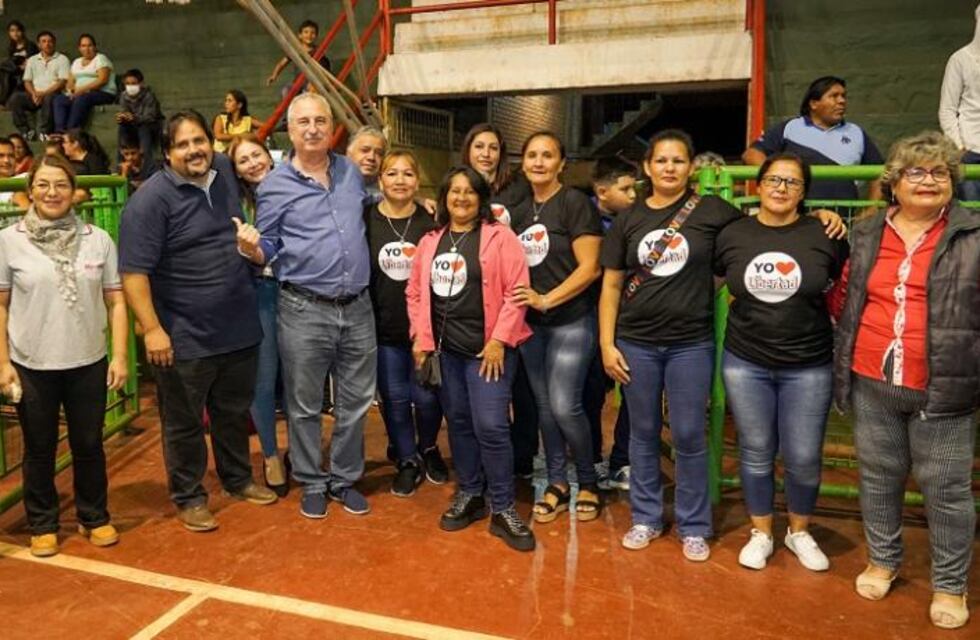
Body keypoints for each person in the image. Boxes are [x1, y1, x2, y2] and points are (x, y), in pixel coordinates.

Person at [600, 130, 847, 562]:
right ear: (647, 168)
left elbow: (765, 231)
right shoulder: (629, 220)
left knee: (691, 434)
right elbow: (613, 284)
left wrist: (820, 213)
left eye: (678, 160)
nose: (669, 168)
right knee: (640, 432)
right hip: (635, 342)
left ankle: (694, 524)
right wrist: (606, 342)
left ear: (691, 166)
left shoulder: (715, 212)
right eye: (661, 161)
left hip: (690, 343)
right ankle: (645, 517)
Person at [831, 131, 979, 630]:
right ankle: (883, 560)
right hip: (872, 376)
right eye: (915, 171)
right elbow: (851, 297)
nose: (928, 180)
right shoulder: (868, 231)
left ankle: (951, 584)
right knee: (878, 477)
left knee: (946, 489)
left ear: (952, 183)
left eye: (939, 172)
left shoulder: (972, 233)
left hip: (943, 386)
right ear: (893, 182)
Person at [119, 110, 277, 533]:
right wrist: (152, 329)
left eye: (199, 141)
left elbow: (268, 165)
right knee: (184, 423)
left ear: (213, 142)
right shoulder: (149, 201)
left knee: (232, 412)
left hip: (239, 328)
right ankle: (189, 496)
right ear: (168, 153)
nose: (194, 150)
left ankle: (238, 478)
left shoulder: (225, 171)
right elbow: (133, 273)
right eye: (183, 145)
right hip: (184, 336)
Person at [240, 93, 375, 519]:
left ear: (332, 125)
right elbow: (269, 246)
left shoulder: (352, 173)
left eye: (320, 120)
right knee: (304, 403)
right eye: (304, 122)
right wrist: (251, 249)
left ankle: (343, 478)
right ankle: (312, 481)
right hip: (304, 309)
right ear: (291, 130)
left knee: (355, 400)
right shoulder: (275, 185)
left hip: (358, 308)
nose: (313, 128)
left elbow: (376, 208)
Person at [716, 153, 849, 572]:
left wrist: (831, 216)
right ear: (758, 185)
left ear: (804, 192)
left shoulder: (824, 233)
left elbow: (845, 284)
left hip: (808, 363)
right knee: (755, 451)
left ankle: (798, 531)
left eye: (792, 182)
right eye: (773, 179)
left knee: (804, 455)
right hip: (746, 360)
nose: (781, 188)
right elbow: (716, 279)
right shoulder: (734, 233)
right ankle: (761, 532)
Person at [0, 154, 128, 557]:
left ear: (74, 191)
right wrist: (2, 362)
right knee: (38, 448)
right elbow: (0, 306)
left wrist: (119, 355)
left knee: (89, 443)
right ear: (30, 190)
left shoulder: (98, 239)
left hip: (87, 361)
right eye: (43, 185)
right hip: (32, 364)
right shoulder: (8, 240)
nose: (52, 192)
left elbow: (116, 302)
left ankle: (95, 516)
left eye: (60, 184)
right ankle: (43, 523)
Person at [406, 166, 535, 551]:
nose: (461, 198)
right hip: (447, 353)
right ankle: (471, 493)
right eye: (454, 191)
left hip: (488, 353)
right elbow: (415, 293)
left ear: (481, 198)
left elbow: (517, 291)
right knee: (459, 423)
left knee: (492, 425)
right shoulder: (431, 241)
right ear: (444, 198)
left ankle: (504, 507)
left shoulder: (501, 237)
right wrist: (420, 338)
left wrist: (499, 341)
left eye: (469, 192)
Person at [511, 131, 604, 525]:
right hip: (532, 327)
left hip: (571, 320)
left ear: (561, 163)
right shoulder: (518, 210)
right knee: (546, 407)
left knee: (566, 405)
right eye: (532, 155)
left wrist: (548, 299)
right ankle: (555, 482)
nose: (539, 162)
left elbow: (590, 268)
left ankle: (587, 481)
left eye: (547, 155)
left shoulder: (575, 203)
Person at [365, 150, 446, 496]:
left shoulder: (433, 223)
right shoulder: (365, 218)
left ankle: (427, 447)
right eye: (392, 173)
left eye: (408, 174)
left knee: (427, 400)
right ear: (380, 180)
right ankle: (407, 459)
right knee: (395, 399)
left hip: (425, 331)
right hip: (382, 329)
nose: (400, 180)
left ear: (418, 181)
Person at [225, 132, 287, 497]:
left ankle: (304, 451)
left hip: (298, 293)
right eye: (243, 160)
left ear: (269, 155)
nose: (253, 163)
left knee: (298, 381)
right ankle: (270, 455)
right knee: (263, 380)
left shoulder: (294, 190)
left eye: (256, 154)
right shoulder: (236, 206)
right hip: (260, 295)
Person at [743, 76, 883, 202]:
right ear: (814, 104)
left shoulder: (856, 132)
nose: (842, 101)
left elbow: (880, 172)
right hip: (798, 216)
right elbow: (752, 154)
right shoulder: (791, 128)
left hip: (845, 219)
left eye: (843, 96)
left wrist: (872, 209)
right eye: (834, 96)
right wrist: (778, 179)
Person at [587, 155, 637, 491]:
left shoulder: (636, 220)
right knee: (588, 393)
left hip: (630, 321)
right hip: (588, 320)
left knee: (633, 393)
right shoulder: (580, 218)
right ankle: (590, 459)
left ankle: (622, 461)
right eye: (626, 189)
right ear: (603, 191)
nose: (634, 195)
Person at [939, 4, 980, 202]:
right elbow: (947, 109)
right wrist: (959, 146)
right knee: (971, 217)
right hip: (970, 152)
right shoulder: (960, 59)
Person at [8, 31, 69, 141]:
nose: (47, 44)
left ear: (54, 43)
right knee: (15, 98)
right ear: (39, 44)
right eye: (44, 41)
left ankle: (44, 132)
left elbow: (62, 82)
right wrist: (34, 94)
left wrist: (43, 93)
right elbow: (27, 81)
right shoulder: (32, 60)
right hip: (34, 95)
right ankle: (26, 131)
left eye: (50, 41)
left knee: (50, 97)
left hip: (52, 94)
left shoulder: (62, 59)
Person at [51, 34, 116, 134]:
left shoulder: (100, 58)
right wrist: (71, 91)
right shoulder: (77, 62)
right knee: (59, 99)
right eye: (83, 46)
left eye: (90, 45)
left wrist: (81, 90)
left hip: (102, 93)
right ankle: (60, 131)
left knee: (83, 98)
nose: (87, 49)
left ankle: (72, 131)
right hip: (79, 94)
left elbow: (102, 80)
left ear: (95, 47)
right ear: (79, 48)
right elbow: (70, 81)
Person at [116, 68, 164, 167]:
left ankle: (147, 166)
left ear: (141, 83)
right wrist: (122, 118)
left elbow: (150, 117)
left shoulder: (149, 96)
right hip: (133, 124)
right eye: (127, 83)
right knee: (122, 128)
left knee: (143, 127)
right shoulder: (123, 96)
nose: (130, 86)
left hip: (151, 125)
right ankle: (120, 165)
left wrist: (134, 118)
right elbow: (124, 111)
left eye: (133, 83)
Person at [266, 19, 331, 90]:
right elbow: (282, 64)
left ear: (316, 36)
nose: (309, 35)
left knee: (312, 89)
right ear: (300, 35)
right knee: (286, 90)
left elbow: (325, 69)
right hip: (298, 83)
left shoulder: (318, 51)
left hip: (313, 83)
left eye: (313, 33)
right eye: (306, 32)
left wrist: (320, 82)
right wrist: (274, 75)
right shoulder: (296, 51)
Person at [0, 20, 39, 105]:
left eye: (18, 30)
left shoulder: (30, 46)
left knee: (4, 69)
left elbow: (29, 64)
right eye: (12, 31)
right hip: (15, 71)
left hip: (28, 72)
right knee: (5, 71)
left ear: (22, 32)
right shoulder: (11, 47)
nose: (15, 33)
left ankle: (3, 100)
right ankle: (4, 100)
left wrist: (18, 67)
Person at [347, 125, 387, 202]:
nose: (371, 157)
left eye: (379, 153)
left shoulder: (389, 201)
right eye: (365, 150)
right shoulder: (329, 188)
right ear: (349, 154)